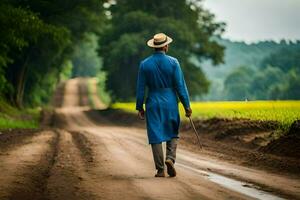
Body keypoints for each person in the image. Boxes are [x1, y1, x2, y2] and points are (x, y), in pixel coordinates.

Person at [136, 33, 192, 177]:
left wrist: (139, 107)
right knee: (172, 132)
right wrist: (187, 106)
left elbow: (141, 88)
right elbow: (180, 86)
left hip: (153, 102)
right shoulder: (174, 62)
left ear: (154, 47)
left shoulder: (144, 64)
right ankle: (170, 158)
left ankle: (160, 170)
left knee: (155, 135)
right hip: (170, 102)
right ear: (165, 46)